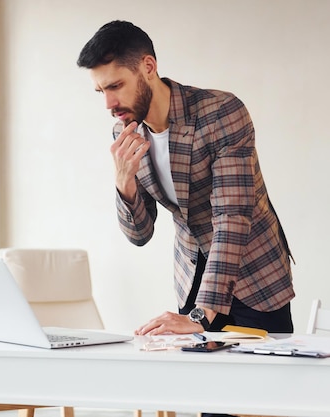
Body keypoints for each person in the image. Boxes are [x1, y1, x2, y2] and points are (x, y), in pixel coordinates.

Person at [77, 21, 295, 417]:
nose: (108, 102)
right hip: (192, 279)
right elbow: (140, 234)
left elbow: (232, 216)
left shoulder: (220, 112)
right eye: (100, 91)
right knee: (210, 404)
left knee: (260, 403)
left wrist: (200, 315)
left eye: (115, 86)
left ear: (147, 67)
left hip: (255, 281)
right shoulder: (125, 131)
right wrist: (124, 183)